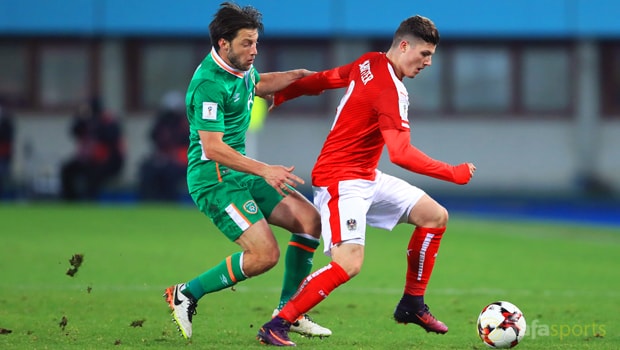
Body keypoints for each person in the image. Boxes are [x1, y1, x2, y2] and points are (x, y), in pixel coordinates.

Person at [257, 15, 476, 346]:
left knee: (435, 216)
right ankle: (278, 324)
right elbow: (401, 153)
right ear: (404, 46)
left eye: (431, 55)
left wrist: (288, 94)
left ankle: (412, 304)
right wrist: (453, 173)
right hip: (340, 181)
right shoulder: (390, 90)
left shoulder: (370, 61)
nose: (429, 62)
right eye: (424, 54)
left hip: (365, 176)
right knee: (349, 263)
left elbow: (328, 78)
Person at [163, 2, 331, 340]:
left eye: (256, 42)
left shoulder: (240, 68)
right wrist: (266, 170)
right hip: (214, 181)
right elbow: (212, 148)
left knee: (310, 221)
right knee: (264, 255)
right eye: (246, 43)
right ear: (223, 43)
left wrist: (298, 78)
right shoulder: (208, 84)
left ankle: (290, 312)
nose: (254, 50)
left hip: (241, 173)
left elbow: (258, 83)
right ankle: (186, 293)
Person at [60, 96, 125, 201]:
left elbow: (110, 138)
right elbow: (74, 131)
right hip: (89, 160)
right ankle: (70, 201)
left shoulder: (108, 121)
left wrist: (96, 126)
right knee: (67, 169)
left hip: (108, 161)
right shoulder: (86, 121)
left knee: (93, 174)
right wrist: (80, 117)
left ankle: (89, 200)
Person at [138, 91, 189, 201]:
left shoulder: (184, 125)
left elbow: (185, 146)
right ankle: (148, 200)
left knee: (171, 174)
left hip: (179, 160)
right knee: (147, 170)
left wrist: (173, 156)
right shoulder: (161, 124)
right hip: (162, 158)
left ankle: (170, 200)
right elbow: (154, 138)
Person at [0, 103, 15, 198]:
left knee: (4, 177)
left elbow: (7, 138)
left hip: (4, 155)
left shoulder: (7, 124)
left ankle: (4, 198)